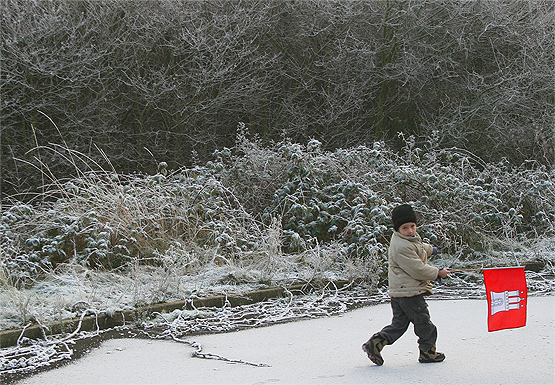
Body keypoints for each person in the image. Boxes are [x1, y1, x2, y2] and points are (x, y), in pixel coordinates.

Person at [362, 204, 450, 365]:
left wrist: (431, 250)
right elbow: (417, 268)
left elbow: (418, 246)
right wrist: (437, 272)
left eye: (412, 226)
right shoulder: (401, 246)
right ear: (397, 229)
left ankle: (375, 344)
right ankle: (428, 352)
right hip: (410, 293)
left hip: (400, 292)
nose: (410, 230)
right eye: (405, 228)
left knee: (399, 324)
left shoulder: (405, 239)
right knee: (424, 323)